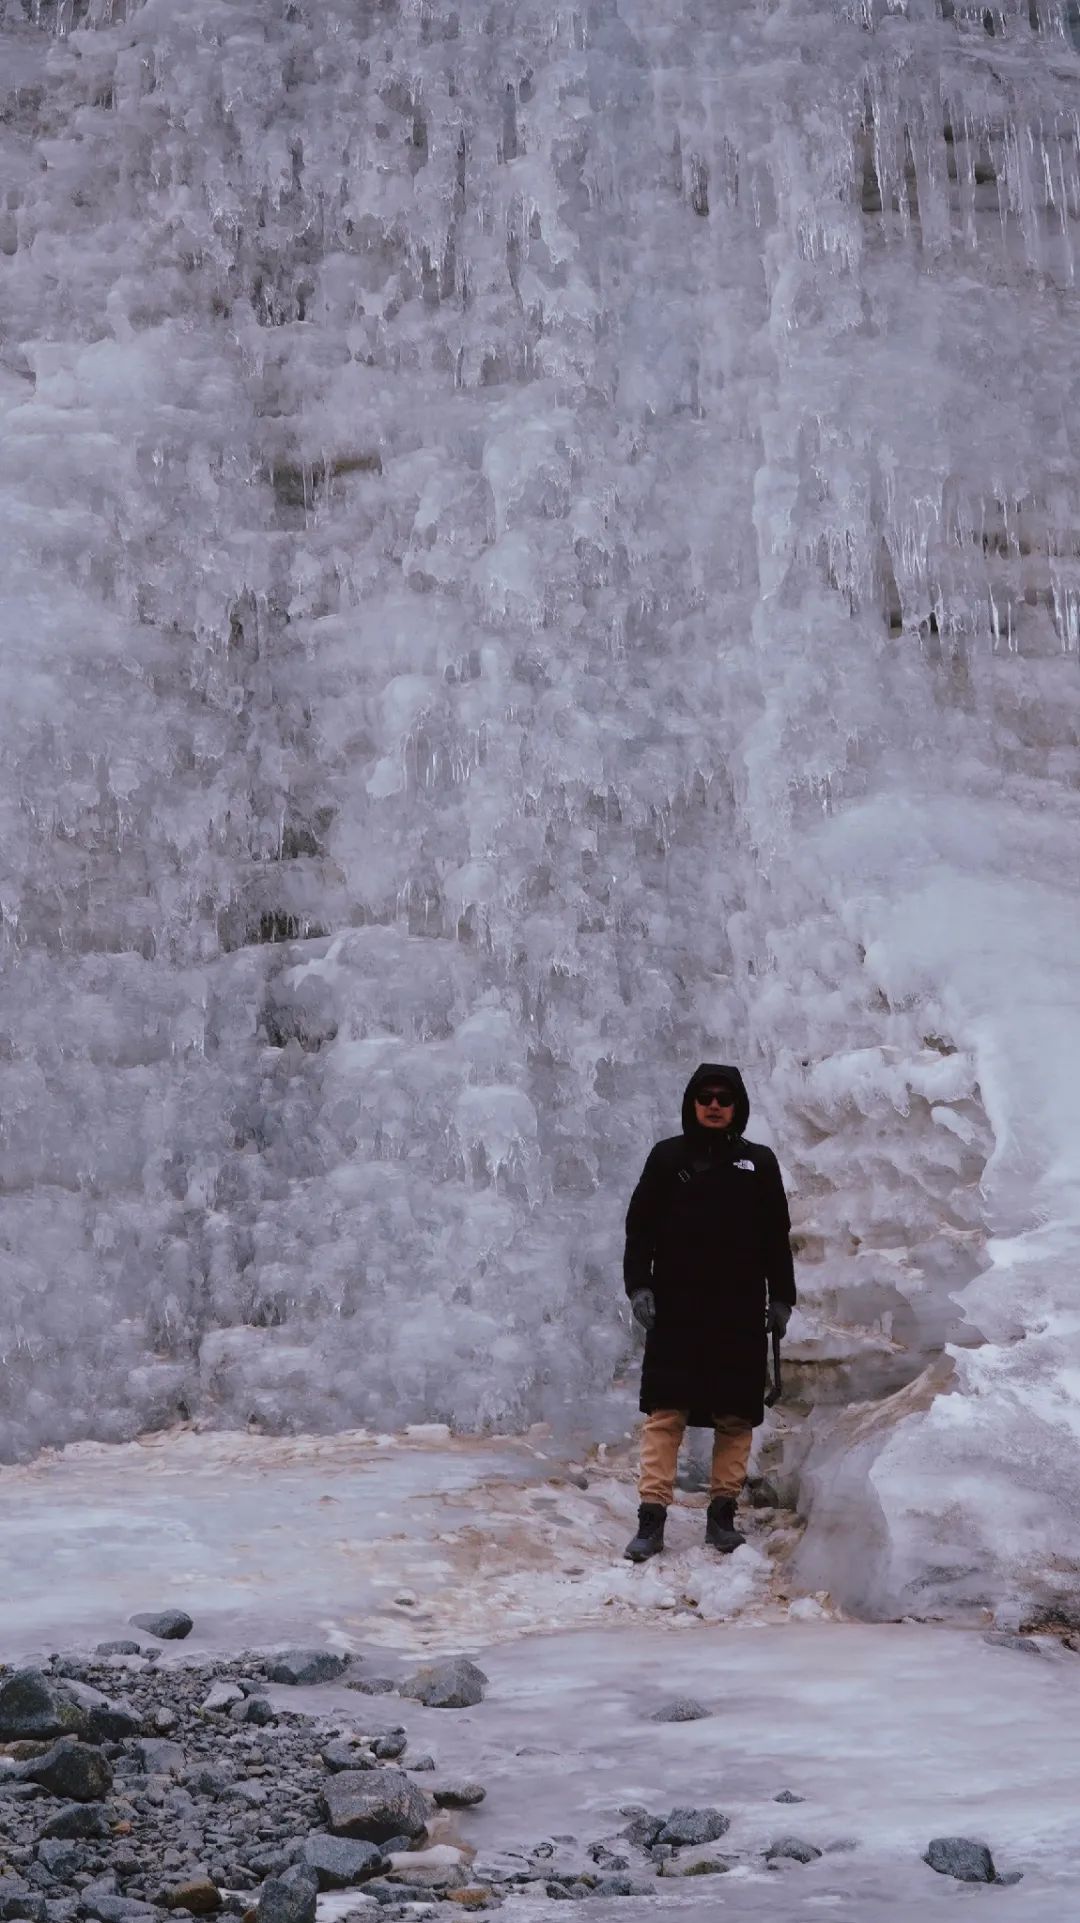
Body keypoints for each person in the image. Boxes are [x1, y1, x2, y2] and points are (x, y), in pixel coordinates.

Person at [622, 1063, 796, 1561]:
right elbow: (640, 1230)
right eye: (706, 1097)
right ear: (692, 1104)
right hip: (677, 1307)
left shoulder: (759, 1163)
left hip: (739, 1308)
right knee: (666, 1411)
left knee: (735, 1414)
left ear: (738, 1106)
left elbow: (774, 1239)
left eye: (724, 1097)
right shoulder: (667, 1158)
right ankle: (651, 1518)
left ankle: (721, 1517)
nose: (715, 1105)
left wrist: (781, 1298)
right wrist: (639, 1288)